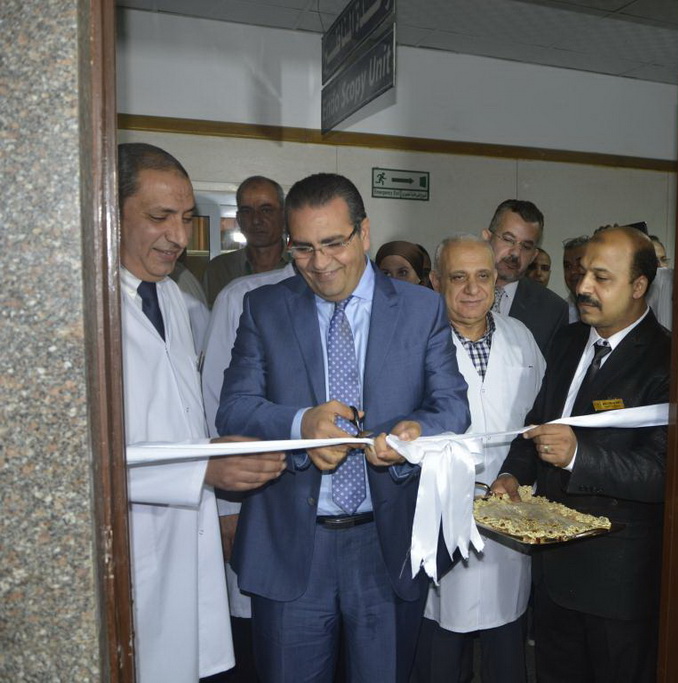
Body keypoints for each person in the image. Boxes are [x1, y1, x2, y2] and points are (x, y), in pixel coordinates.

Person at [216, 172, 470, 683]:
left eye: (334, 243)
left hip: (387, 542)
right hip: (292, 544)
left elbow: (452, 407)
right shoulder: (265, 308)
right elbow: (234, 409)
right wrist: (300, 424)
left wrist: (412, 434)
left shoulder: (421, 309)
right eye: (303, 248)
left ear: (364, 233)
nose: (320, 263)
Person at [118, 142, 286, 683]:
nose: (178, 236)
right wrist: (203, 468)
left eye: (186, 217)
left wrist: (217, 453)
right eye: (159, 217)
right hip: (130, 538)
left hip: (184, 530)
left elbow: (186, 412)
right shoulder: (87, 308)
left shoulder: (171, 297)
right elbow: (79, 458)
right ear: (108, 210)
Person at [492, 225, 670, 683]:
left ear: (639, 286)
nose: (583, 287)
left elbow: (662, 473)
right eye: (583, 273)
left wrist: (578, 457)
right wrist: (513, 474)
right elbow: (538, 420)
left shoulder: (670, 359)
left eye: (601, 278)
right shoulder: (569, 340)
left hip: (617, 582)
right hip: (553, 574)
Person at [415, 235, 545, 683]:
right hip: (441, 521)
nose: (473, 289)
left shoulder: (520, 337)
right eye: (458, 277)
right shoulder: (416, 342)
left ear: (496, 281)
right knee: (440, 654)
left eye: (483, 276)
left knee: (506, 649)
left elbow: (538, 420)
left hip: (511, 518)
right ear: (436, 282)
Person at [200, 261, 298, 682]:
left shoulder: (363, 299)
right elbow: (214, 401)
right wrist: (226, 508)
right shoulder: (243, 297)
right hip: (259, 497)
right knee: (261, 642)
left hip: (339, 524)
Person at [483, 199, 568, 357]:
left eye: (526, 246)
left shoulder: (553, 310)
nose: (516, 253)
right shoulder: (456, 292)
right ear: (487, 238)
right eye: (508, 240)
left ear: (534, 255)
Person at [203, 175, 289, 305]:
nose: (256, 220)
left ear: (283, 216)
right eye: (247, 211)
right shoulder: (219, 270)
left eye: (266, 210)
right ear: (239, 219)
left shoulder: (302, 266)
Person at [561, 236, 589, 324]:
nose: (573, 271)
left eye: (579, 264)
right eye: (568, 266)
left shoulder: (610, 309)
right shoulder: (559, 313)